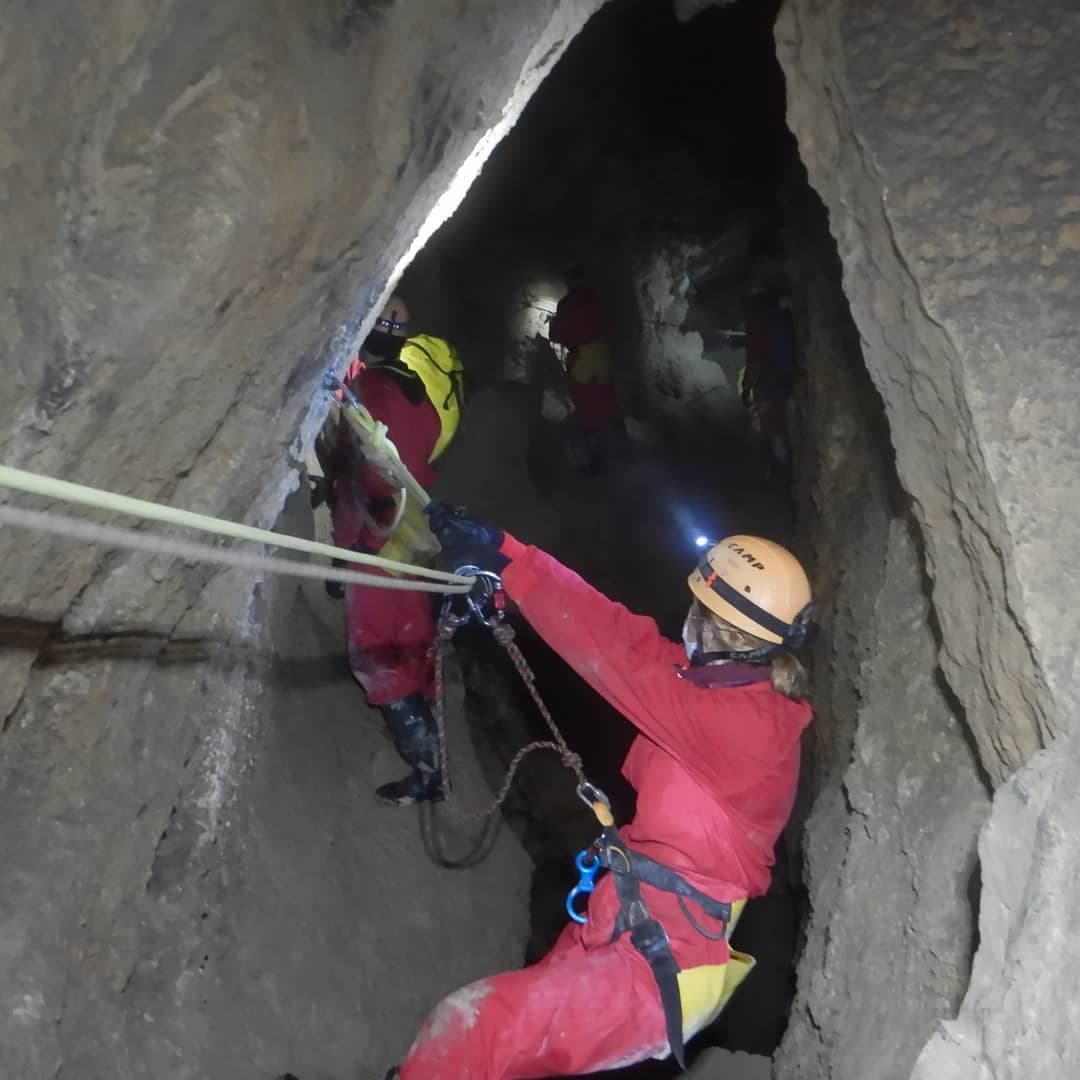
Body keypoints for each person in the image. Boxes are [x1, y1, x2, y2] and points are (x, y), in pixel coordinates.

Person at [387, 503, 816, 1078]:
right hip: (631, 910)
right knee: (508, 1041)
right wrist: (509, 552)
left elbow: (616, 663)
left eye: (696, 609)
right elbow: (627, 638)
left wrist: (515, 573)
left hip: (661, 964)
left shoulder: (742, 727)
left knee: (473, 1026)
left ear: (720, 627)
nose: (684, 618)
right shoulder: (723, 686)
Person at [317, 295, 464, 807]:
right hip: (416, 532)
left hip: (383, 535)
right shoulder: (414, 384)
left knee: (376, 652)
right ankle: (437, 738)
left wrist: (357, 550)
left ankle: (428, 770)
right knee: (414, 637)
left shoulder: (373, 390)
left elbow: (378, 479)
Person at [546, 263, 624, 473]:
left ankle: (598, 463)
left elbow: (557, 336)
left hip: (582, 361)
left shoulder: (566, 303)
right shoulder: (597, 299)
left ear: (569, 282)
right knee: (609, 405)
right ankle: (625, 453)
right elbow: (609, 325)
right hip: (603, 356)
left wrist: (554, 324)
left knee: (588, 415)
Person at [740, 286, 798, 481]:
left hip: (770, 383)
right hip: (792, 379)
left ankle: (780, 472)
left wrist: (747, 388)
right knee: (786, 426)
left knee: (772, 428)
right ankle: (789, 470)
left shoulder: (757, 324)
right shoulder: (783, 318)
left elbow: (754, 359)